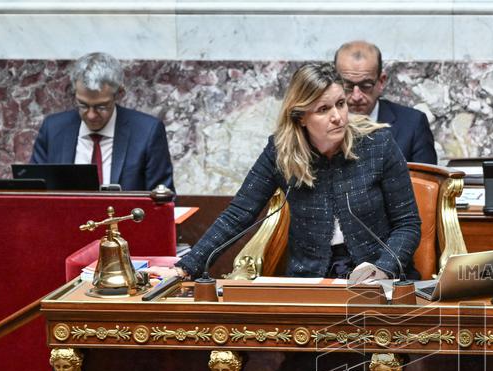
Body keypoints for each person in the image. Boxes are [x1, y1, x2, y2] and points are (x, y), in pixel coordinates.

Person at [154, 63, 420, 284]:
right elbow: (238, 214)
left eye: (341, 103)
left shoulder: (378, 145)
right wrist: (185, 267)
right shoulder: (281, 152)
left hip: (378, 277)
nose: (338, 117)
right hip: (310, 280)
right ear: (301, 116)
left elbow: (407, 224)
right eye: (323, 109)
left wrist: (383, 268)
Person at [31, 52, 174, 192]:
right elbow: (34, 191)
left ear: (119, 94)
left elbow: (164, 199)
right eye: (83, 105)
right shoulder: (53, 129)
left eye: (101, 106)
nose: (91, 115)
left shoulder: (147, 132)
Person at [334, 41, 438, 164]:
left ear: (381, 82)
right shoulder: (323, 123)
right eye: (348, 86)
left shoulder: (412, 125)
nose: (356, 96)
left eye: (366, 86)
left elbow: (427, 181)